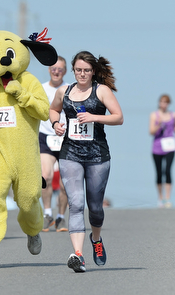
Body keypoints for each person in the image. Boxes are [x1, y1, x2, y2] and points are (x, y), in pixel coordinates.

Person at [50, 51, 123, 273]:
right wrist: (56, 124)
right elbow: (53, 110)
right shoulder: (65, 91)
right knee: (76, 202)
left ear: (93, 72)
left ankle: (97, 239)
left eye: (87, 70)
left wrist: (94, 117)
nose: (82, 74)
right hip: (70, 152)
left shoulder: (101, 91)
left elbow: (118, 117)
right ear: (73, 70)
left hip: (97, 155)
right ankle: (78, 255)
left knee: (94, 208)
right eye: (79, 70)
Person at [39, 56, 69, 232]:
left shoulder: (70, 89)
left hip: (66, 137)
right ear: (49, 70)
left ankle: (61, 217)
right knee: (46, 176)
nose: (56, 71)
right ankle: (48, 213)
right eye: (53, 68)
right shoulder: (41, 89)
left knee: (66, 183)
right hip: (46, 136)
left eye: (60, 69)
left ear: (64, 71)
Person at [149, 94, 175, 208]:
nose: (164, 104)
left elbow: (174, 128)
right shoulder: (154, 115)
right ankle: (160, 198)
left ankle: (167, 198)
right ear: (159, 103)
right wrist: (159, 124)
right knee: (159, 172)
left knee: (167, 170)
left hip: (170, 146)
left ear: (168, 104)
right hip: (157, 146)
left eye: (166, 102)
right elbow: (151, 131)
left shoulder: (173, 115)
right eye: (162, 102)